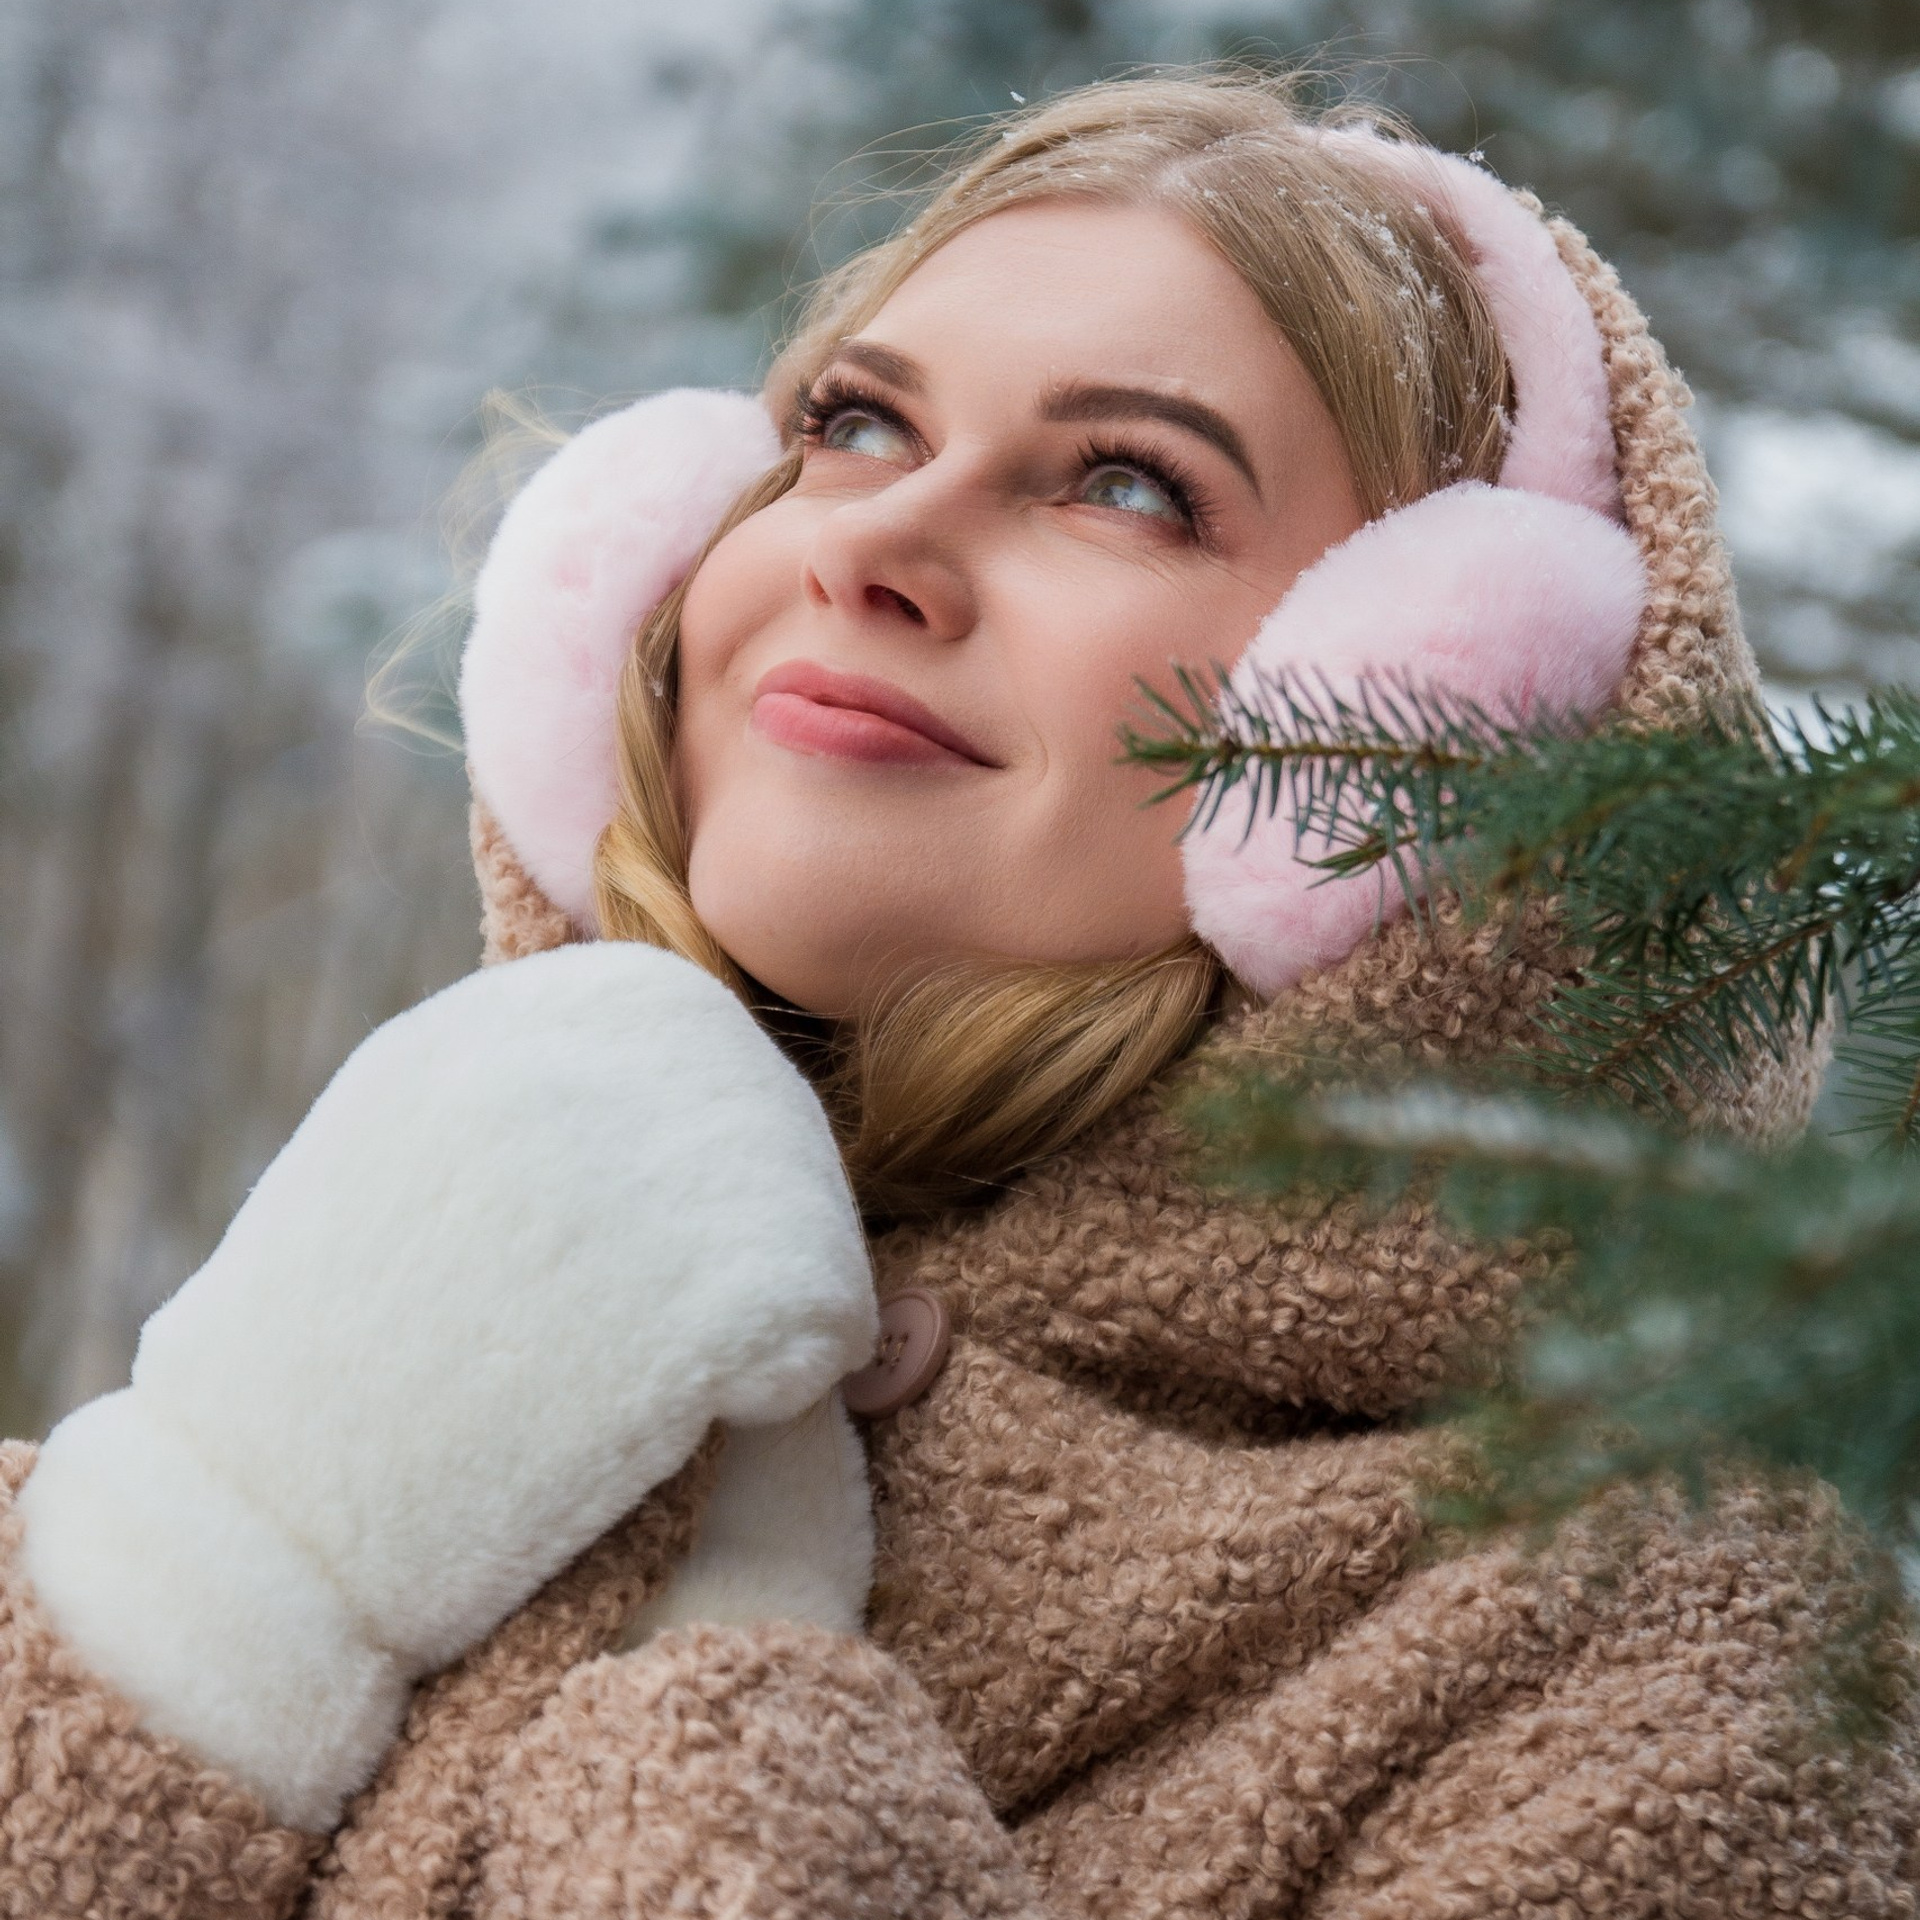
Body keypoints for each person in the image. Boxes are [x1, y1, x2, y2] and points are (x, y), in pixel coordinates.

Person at [1, 69, 1913, 1920]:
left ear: (1436, 728)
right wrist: (212, 1563)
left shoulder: (1674, 1664)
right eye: (855, 425)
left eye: (1131, 489)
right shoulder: (404, 1316)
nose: (877, 544)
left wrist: (728, 1703)